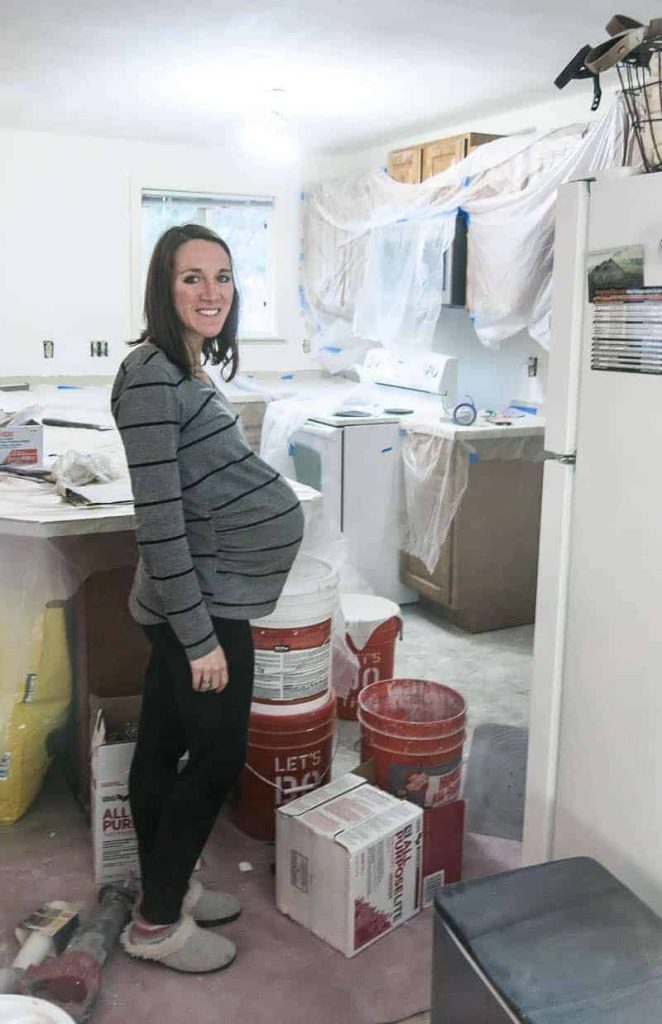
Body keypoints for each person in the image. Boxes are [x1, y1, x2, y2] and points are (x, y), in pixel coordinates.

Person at [111, 223, 304, 973]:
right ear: (164, 287)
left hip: (198, 600)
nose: (211, 292)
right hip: (201, 610)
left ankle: (167, 887)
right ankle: (158, 924)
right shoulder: (154, 374)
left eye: (222, 276)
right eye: (192, 277)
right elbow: (158, 522)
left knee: (161, 746)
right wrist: (199, 640)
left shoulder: (184, 367)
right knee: (215, 760)